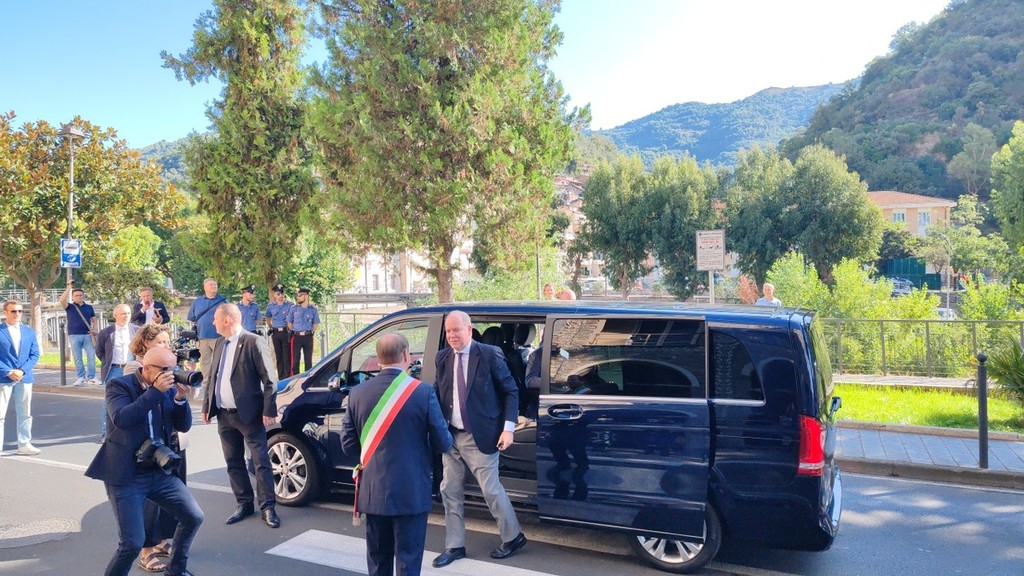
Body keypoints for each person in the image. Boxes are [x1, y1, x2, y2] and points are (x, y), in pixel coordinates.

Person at [341, 333, 453, 576]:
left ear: (378, 358)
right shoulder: (423, 392)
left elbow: (348, 446)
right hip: (411, 491)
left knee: (378, 562)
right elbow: (443, 443)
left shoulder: (357, 393)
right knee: (408, 562)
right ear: (405, 355)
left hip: (373, 491)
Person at [85, 347, 204, 576]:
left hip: (158, 470)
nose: (171, 374)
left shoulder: (168, 389)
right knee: (131, 544)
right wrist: (155, 392)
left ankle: (176, 570)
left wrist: (180, 399)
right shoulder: (119, 386)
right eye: (165, 369)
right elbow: (122, 419)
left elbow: (183, 425)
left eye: (173, 368)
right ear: (146, 368)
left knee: (193, 516)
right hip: (126, 475)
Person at [432, 310, 525, 568]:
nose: (451, 335)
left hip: (481, 434)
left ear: (469, 330)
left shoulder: (488, 354)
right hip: (451, 436)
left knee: (491, 490)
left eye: (456, 330)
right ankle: (455, 546)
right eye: (448, 331)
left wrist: (508, 428)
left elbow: (510, 391)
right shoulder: (442, 358)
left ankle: (513, 537)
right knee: (449, 490)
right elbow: (437, 394)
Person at [202, 304, 281, 529]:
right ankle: (244, 503)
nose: (213, 323)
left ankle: (267, 507)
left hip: (249, 414)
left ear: (227, 320)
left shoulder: (253, 342)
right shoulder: (220, 343)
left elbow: (270, 379)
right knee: (233, 461)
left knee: (260, 462)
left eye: (216, 319)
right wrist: (207, 406)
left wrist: (268, 410)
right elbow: (213, 377)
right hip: (224, 414)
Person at [122, 324, 180, 572]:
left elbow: (176, 409)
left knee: (170, 496)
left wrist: (181, 392)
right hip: (145, 448)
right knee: (149, 501)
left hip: (169, 441)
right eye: (160, 343)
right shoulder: (133, 370)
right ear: (145, 345)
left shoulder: (167, 368)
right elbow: (131, 413)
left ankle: (160, 540)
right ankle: (146, 550)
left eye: (167, 342)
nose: (166, 346)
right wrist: (157, 387)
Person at [0, 300, 42, 456]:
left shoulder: (28, 331)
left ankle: (24, 444)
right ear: (5, 312)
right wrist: (8, 371)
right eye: (13, 311)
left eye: (19, 311)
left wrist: (22, 371)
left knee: (25, 413)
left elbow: (35, 354)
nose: (17, 314)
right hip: (3, 377)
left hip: (24, 378)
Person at [95, 304, 139, 441]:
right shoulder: (106, 333)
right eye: (123, 313)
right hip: (114, 370)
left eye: (128, 313)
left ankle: (131, 433)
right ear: (115, 316)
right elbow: (100, 352)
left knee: (135, 399)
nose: (126, 316)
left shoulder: (137, 330)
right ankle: (106, 434)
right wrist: (108, 363)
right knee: (110, 402)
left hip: (132, 369)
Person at [187, 278, 227, 390]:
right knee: (205, 362)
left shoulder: (223, 301)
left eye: (215, 284)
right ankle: (206, 386)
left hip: (219, 337)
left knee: (220, 361)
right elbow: (192, 317)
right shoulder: (197, 302)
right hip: (202, 337)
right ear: (205, 287)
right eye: (211, 284)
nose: (214, 286)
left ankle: (220, 384)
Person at [60, 282, 100, 386]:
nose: (78, 297)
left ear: (83, 296)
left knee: (91, 356)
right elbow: (62, 300)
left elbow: (94, 320)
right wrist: (69, 287)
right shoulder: (70, 307)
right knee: (78, 358)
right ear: (73, 297)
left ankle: (92, 377)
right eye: (76, 295)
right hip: (74, 335)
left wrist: (94, 330)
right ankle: (80, 377)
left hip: (87, 335)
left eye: (80, 295)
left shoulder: (89, 307)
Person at [287, 287, 320, 376]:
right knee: (295, 360)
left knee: (308, 360)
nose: (297, 297)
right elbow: (289, 323)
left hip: (308, 336)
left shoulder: (313, 309)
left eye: (300, 295)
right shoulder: (294, 308)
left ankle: (307, 378)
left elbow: (316, 324)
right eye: (297, 295)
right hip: (296, 337)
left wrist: (310, 332)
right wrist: (296, 330)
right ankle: (295, 379)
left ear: (306, 296)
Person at [264, 284, 293, 380]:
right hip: (276, 332)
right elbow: (268, 318)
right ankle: (280, 376)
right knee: (278, 355)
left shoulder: (289, 305)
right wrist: (271, 327)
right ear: (274, 295)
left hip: (286, 331)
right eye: (278, 294)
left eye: (282, 293)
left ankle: (287, 376)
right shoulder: (271, 306)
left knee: (286, 355)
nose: (281, 296)